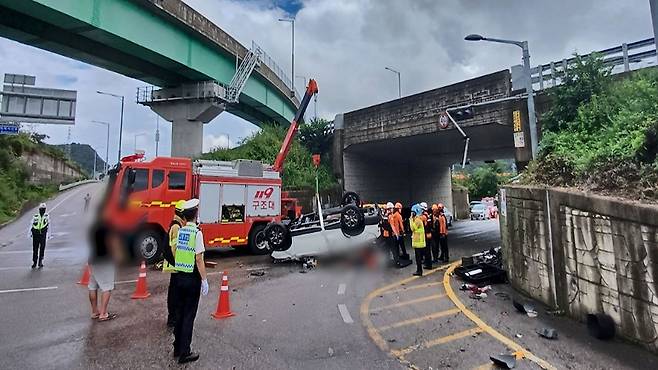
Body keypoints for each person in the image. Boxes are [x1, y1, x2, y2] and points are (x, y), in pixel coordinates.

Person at [173, 199, 209, 364]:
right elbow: (199, 258)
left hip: (179, 277)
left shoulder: (181, 231)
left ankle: (177, 347)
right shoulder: (197, 233)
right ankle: (185, 352)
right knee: (189, 316)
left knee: (179, 314)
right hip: (191, 279)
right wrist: (204, 280)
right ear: (195, 215)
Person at [88, 221, 121, 322]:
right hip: (105, 260)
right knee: (107, 287)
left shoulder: (93, 226)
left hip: (93, 259)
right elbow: (113, 241)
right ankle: (103, 313)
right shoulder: (109, 226)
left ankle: (94, 311)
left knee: (92, 286)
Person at [163, 200, 185, 328]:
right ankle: (173, 319)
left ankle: (173, 317)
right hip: (176, 266)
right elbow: (175, 249)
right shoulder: (177, 227)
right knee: (175, 294)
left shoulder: (176, 224)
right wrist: (181, 264)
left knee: (174, 292)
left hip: (174, 266)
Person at [29, 203, 49, 268]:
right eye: (41, 209)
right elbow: (31, 224)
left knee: (42, 248)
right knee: (35, 249)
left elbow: (49, 225)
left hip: (43, 234)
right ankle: (34, 262)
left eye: (44, 209)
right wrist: (29, 233)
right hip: (35, 234)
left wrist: (49, 235)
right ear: (39, 209)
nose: (42, 210)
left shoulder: (46, 216)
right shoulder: (35, 216)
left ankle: (40, 261)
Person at [409, 204, 427, 276]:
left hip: (418, 242)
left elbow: (413, 228)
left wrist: (410, 220)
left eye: (412, 212)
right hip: (418, 242)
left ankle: (419, 271)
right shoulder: (417, 219)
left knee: (418, 258)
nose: (411, 213)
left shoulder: (417, 220)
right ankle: (419, 270)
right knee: (419, 257)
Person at [419, 202, 433, 270]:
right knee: (428, 250)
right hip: (429, 234)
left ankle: (428, 264)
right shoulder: (427, 215)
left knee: (426, 250)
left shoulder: (423, 217)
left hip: (425, 235)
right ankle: (428, 263)